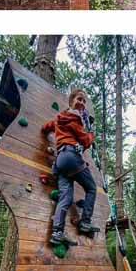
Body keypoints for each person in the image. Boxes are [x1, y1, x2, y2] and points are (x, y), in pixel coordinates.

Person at [42, 88, 100, 245]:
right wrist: (92, 134)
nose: (81, 103)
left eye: (83, 101)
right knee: (92, 188)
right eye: (79, 99)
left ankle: (57, 233)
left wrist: (47, 131)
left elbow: (46, 127)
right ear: (71, 101)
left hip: (60, 161)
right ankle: (85, 222)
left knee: (65, 198)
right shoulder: (74, 119)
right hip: (71, 156)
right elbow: (86, 141)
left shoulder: (60, 119)